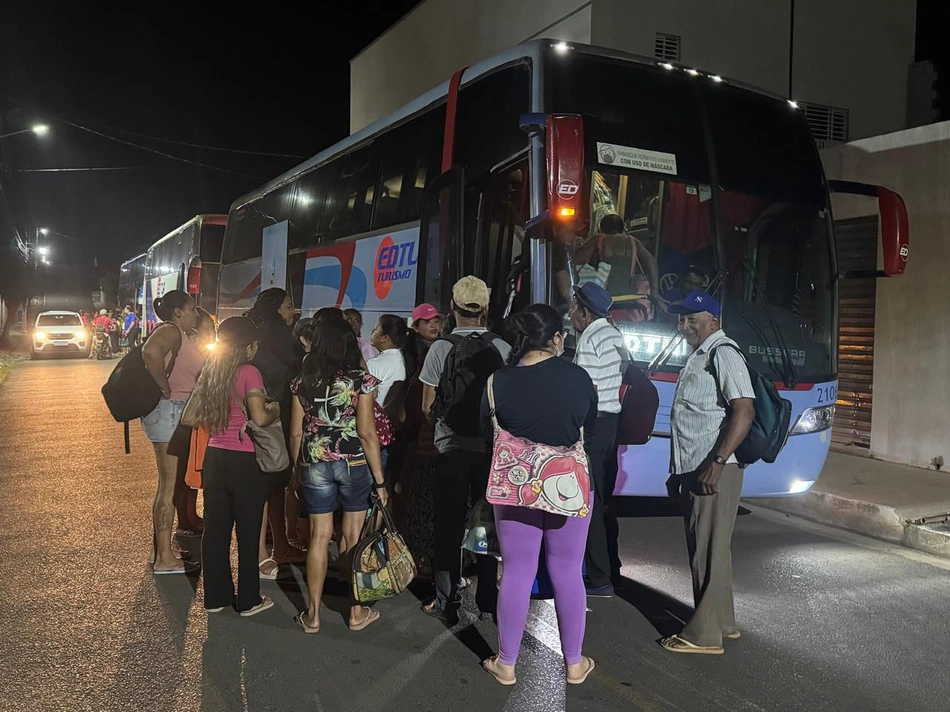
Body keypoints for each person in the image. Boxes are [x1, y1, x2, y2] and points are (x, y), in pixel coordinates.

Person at [479, 304, 598, 686]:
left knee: (516, 570)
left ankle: (506, 664)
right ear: (556, 338)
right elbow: (588, 428)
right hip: (571, 485)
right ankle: (575, 663)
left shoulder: (498, 379)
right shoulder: (579, 378)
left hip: (515, 485)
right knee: (567, 571)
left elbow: (487, 430)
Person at [661, 291, 754, 655]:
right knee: (712, 548)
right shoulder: (700, 356)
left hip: (714, 468)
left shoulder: (723, 353)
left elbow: (743, 411)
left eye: (691, 318)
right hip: (698, 466)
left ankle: (703, 635)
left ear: (713, 321)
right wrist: (677, 472)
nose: (684, 326)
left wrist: (717, 461)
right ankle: (723, 622)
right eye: (681, 319)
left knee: (707, 550)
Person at [289, 317, 388, 633]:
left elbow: (294, 434)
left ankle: (313, 614)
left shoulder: (303, 381)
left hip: (314, 462)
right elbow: (367, 432)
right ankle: (356, 612)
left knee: (319, 536)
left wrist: (296, 471)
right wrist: (381, 480)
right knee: (352, 537)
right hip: (354, 464)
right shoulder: (361, 381)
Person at [419, 276, 510, 623]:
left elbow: (427, 405)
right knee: (486, 522)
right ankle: (487, 598)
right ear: (485, 309)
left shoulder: (440, 348)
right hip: (490, 451)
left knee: (448, 524)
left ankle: (446, 602)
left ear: (452, 308)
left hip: (451, 449)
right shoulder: (502, 348)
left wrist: (444, 431)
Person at [187, 316, 279, 616]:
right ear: (249, 346)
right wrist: (276, 407)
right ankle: (249, 599)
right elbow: (260, 417)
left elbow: (192, 416)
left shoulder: (211, 372)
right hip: (245, 459)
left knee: (215, 530)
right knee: (249, 531)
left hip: (214, 457)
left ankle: (215, 597)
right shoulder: (249, 372)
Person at [570, 282, 627, 597]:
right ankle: (611, 568)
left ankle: (598, 576)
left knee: (589, 500)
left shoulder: (591, 337)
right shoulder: (614, 333)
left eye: (573, 308)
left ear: (584, 312)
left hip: (594, 427)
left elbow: (586, 391)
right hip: (612, 423)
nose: (570, 314)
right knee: (604, 499)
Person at [140, 290, 203, 574]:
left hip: (175, 412)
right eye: (192, 308)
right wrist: (164, 387)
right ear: (177, 311)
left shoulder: (183, 334)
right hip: (169, 412)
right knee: (167, 487)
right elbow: (150, 352)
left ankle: (160, 550)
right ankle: (164, 558)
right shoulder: (170, 330)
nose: (196, 313)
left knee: (172, 484)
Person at [246, 288, 306, 576]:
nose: (291, 311)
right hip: (274, 411)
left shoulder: (258, 329)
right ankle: (279, 545)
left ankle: (272, 545)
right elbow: (299, 363)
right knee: (275, 480)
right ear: (274, 309)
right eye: (287, 306)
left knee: (266, 482)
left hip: (256, 408)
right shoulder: (278, 333)